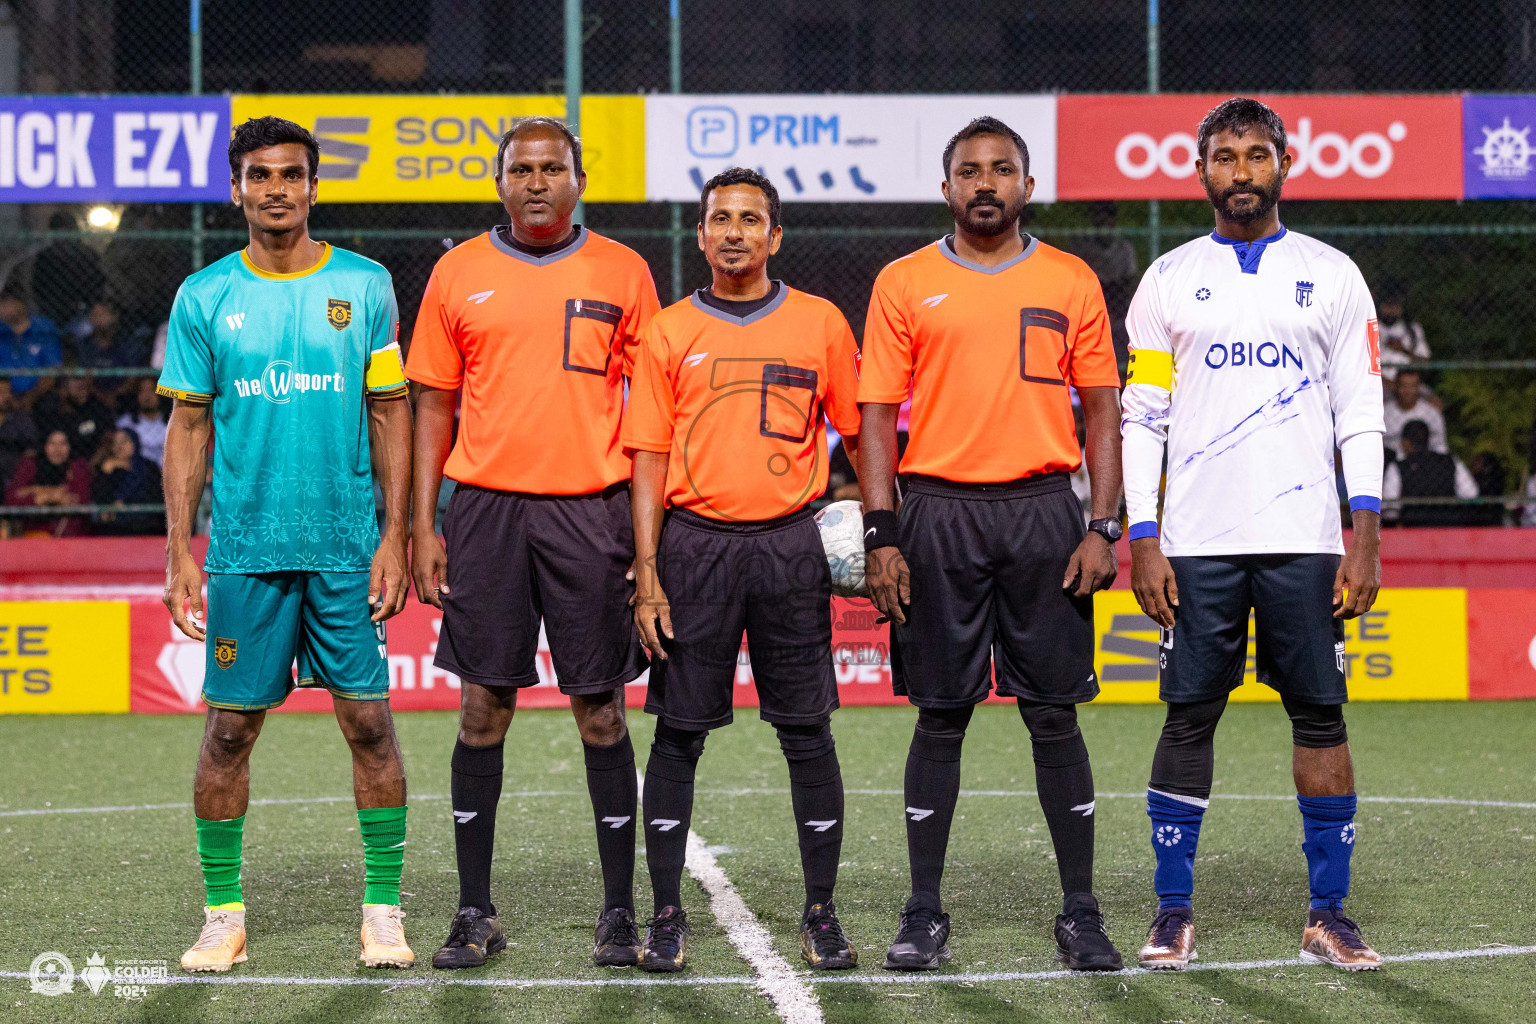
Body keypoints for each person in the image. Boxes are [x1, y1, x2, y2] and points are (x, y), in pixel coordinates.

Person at [1121, 97, 1386, 972]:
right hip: (1195, 541)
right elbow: (1143, 416)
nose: (1241, 171)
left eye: (1256, 155)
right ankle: (1172, 911)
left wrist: (1366, 532)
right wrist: (1145, 537)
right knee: (1189, 713)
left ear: (1284, 163)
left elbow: (1361, 411)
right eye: (1225, 157)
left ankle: (1329, 913)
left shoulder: (1334, 275)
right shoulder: (1165, 281)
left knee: (1320, 712)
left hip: (1306, 538)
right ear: (1200, 172)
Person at [858, 116, 1127, 973]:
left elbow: (1102, 413)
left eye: (1002, 169)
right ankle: (924, 911)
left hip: (1045, 512)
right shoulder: (903, 282)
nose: (985, 183)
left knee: (1054, 715)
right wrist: (882, 533)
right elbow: (871, 420)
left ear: (1027, 185)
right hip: (937, 512)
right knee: (942, 715)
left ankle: (1081, 911)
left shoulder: (1071, 278)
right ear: (946, 189)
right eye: (969, 171)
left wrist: (1103, 522)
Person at [158, 116, 416, 973]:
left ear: (313, 187)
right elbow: (188, 426)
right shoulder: (203, 296)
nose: (277, 189)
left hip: (345, 548)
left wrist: (396, 536)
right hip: (244, 552)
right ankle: (222, 915)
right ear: (236, 188)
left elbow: (390, 413)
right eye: (260, 175)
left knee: (370, 725)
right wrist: (178, 550)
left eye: (292, 175)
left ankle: (382, 911)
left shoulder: (366, 284)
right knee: (230, 732)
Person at [405, 116, 660, 970]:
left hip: (591, 513)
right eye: (523, 169)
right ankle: (474, 910)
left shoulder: (624, 270)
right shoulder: (458, 271)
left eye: (554, 168)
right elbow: (431, 405)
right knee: (484, 708)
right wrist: (421, 524)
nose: (538, 182)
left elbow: (655, 408)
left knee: (599, 709)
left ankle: (619, 911)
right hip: (485, 514)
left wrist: (647, 535)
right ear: (501, 180)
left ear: (579, 180)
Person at [624, 168, 863, 973]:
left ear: (775, 237)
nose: (733, 232)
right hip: (694, 547)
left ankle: (822, 913)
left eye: (749, 219)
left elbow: (861, 435)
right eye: (719, 218)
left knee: (807, 733)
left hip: (790, 547)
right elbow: (648, 460)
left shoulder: (820, 323)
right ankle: (664, 914)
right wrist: (649, 570)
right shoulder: (666, 331)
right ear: (700, 235)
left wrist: (883, 526)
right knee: (680, 734)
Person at [1382, 420, 1479, 527]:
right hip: (1449, 528)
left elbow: (1390, 506)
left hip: (1412, 531)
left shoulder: (1398, 467)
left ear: (1405, 443)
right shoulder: (1450, 461)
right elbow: (1470, 493)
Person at [4, 428, 91, 537]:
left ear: (70, 447)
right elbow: (11, 498)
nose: (57, 449)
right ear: (44, 446)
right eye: (52, 443)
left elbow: (80, 499)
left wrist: (35, 492)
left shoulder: (77, 467)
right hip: (37, 534)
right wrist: (45, 497)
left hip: (69, 536)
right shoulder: (31, 465)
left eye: (63, 443)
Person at [32, 210, 107, 329]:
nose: (63, 237)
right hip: (52, 311)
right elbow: (38, 286)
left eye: (66, 231)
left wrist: (85, 305)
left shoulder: (87, 255)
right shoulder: (45, 257)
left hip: (83, 312)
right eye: (59, 231)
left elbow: (98, 284)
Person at [91, 427, 164, 535]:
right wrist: (106, 471)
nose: (119, 446)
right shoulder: (110, 470)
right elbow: (100, 498)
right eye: (115, 442)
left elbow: (155, 496)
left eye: (124, 441)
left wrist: (122, 502)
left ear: (135, 442)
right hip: (117, 527)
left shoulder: (148, 467)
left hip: (148, 526)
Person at [33, 375, 115, 462]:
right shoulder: (52, 411)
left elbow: (109, 437)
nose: (81, 383)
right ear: (64, 387)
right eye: (75, 379)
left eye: (83, 378)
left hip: (95, 462)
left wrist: (94, 461)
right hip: (64, 464)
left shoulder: (97, 406)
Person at [0, 290, 63, 401]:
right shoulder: (2, 330)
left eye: (5, 303)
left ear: (20, 304)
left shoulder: (43, 329)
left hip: (36, 395)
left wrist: (30, 398)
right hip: (3, 394)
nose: (2, 308)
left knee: (49, 401)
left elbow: (52, 369)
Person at [1373, 279, 1429, 383]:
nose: (1391, 309)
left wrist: (1404, 350)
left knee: (1432, 399)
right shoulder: (1371, 328)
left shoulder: (1413, 330)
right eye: (1387, 304)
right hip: (1377, 384)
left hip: (1407, 385)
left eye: (1395, 304)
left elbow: (1425, 363)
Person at [1382, 369, 1446, 458]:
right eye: (1404, 385)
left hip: (1423, 464)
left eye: (1412, 386)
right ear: (1396, 386)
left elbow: (1440, 446)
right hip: (1388, 462)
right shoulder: (1384, 413)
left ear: (1418, 388)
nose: (1408, 391)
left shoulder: (1431, 413)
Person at [118, 377, 171, 467]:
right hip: (137, 473)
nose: (147, 396)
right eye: (142, 391)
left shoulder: (172, 421)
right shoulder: (126, 422)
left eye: (151, 390)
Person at [0, 378, 39, 485]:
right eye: (1, 392)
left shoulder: (21, 419)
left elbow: (32, 450)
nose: (5, 396)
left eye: (7, 392)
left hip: (13, 476)